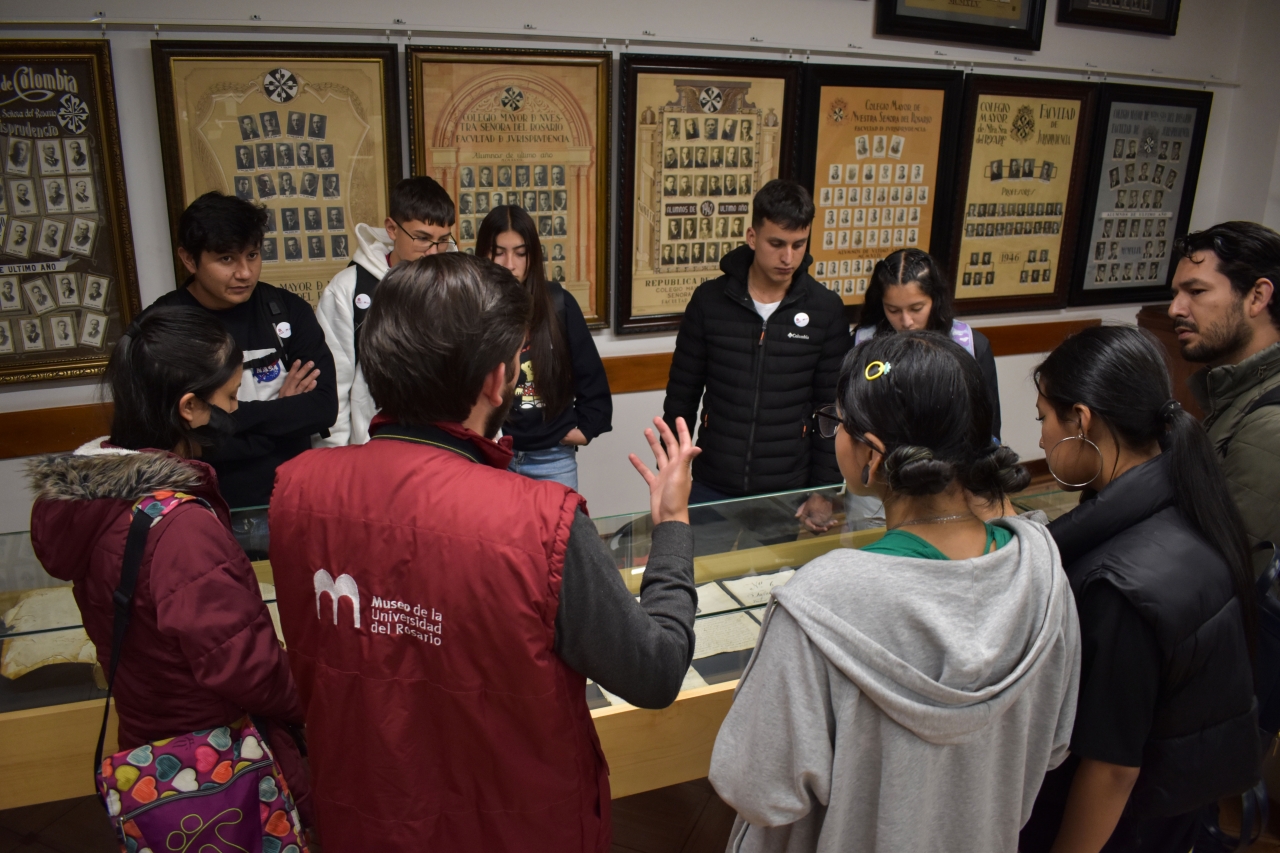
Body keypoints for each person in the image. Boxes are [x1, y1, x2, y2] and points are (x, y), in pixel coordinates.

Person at [268, 253, 698, 851]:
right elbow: (655, 671)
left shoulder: (296, 489)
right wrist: (673, 525)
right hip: (513, 825)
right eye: (519, 359)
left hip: (362, 814)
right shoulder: (541, 521)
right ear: (496, 380)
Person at [709, 331, 1079, 853]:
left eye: (836, 422)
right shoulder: (1042, 570)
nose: (831, 435)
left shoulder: (822, 600)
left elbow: (757, 787)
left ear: (872, 454)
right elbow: (1054, 742)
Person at [26, 306, 310, 821]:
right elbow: (244, 666)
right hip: (218, 755)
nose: (237, 408)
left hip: (150, 750)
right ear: (189, 407)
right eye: (229, 398)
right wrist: (310, 701)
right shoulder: (179, 528)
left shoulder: (97, 505)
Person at [1020, 325, 1259, 853]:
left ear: (1081, 420)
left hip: (1127, 825)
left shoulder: (1120, 585)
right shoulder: (1192, 501)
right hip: (1176, 810)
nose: (1039, 439)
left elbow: (1111, 770)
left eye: (1043, 419)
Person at [663, 179, 851, 521]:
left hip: (786, 487)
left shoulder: (826, 309)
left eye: (798, 244)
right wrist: (669, 470)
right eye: (776, 243)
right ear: (752, 237)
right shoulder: (709, 302)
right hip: (713, 480)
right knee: (698, 572)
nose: (788, 257)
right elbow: (681, 397)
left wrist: (823, 491)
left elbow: (830, 410)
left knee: (777, 577)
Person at [147, 191, 337, 508]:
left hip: (290, 499)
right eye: (226, 259)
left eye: (252, 255)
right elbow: (173, 441)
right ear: (189, 259)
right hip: (201, 505)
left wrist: (218, 417)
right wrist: (282, 418)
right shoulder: (162, 326)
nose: (245, 272)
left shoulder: (287, 310)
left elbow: (322, 409)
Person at [1168, 221, 1280, 573]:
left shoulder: (1269, 426)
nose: (1175, 309)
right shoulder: (1237, 392)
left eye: (1196, 291)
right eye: (1176, 293)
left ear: (1258, 297)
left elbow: (1227, 571)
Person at [476, 205, 611, 488]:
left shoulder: (558, 303)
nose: (509, 264)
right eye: (498, 251)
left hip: (552, 458)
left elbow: (591, 376)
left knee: (562, 532)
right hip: (492, 455)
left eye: (520, 253)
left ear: (532, 256)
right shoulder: (470, 307)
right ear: (483, 253)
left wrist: (587, 427)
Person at [315, 176, 456, 447]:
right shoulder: (350, 289)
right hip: (374, 451)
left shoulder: (460, 285)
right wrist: (336, 458)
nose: (433, 252)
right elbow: (335, 386)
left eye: (442, 241)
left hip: (444, 450)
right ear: (392, 228)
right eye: (422, 239)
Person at [856, 248, 1003, 440]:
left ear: (935, 300)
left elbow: (989, 427)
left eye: (916, 308)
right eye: (893, 310)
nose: (906, 321)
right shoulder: (864, 344)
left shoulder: (971, 345)